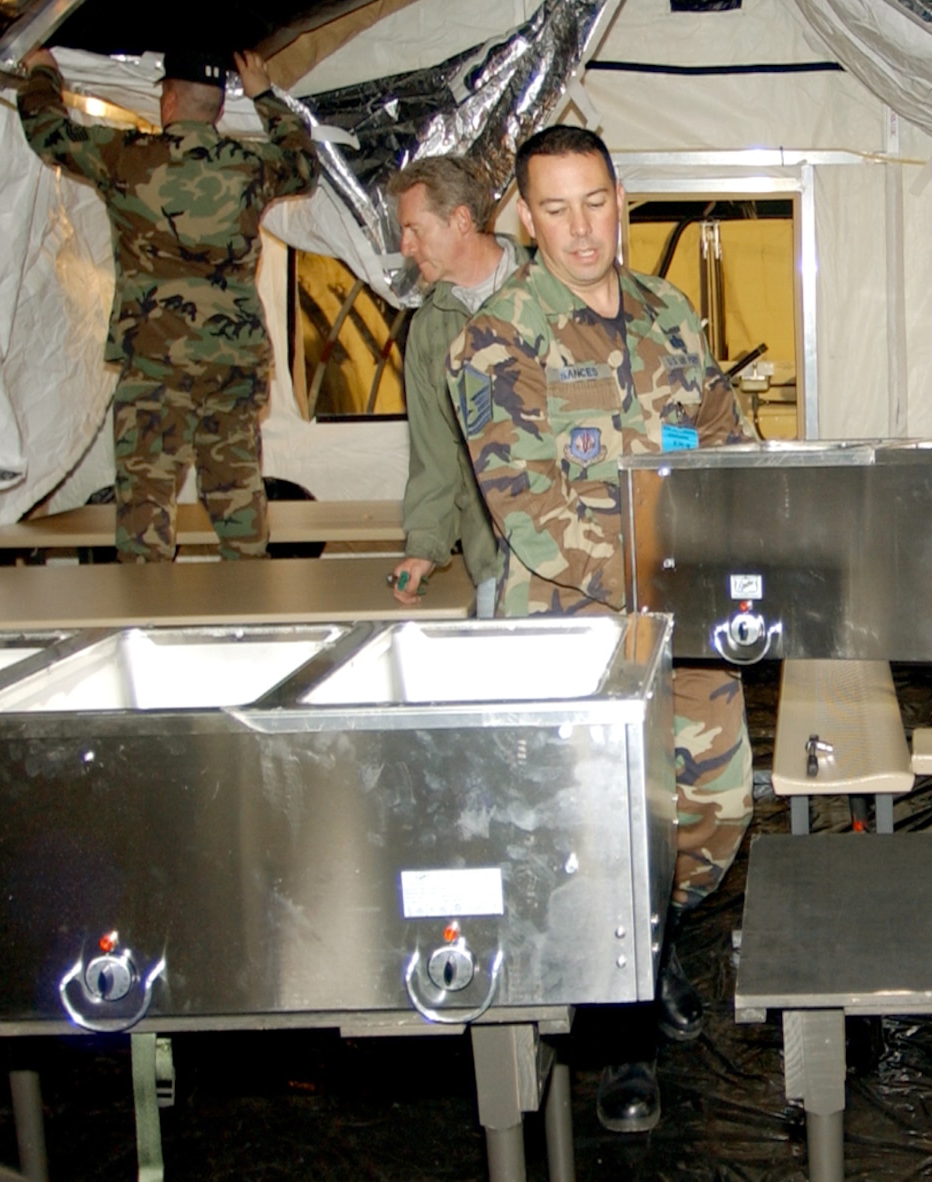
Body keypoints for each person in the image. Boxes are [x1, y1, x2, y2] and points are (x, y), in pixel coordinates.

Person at [447, 124, 755, 1133]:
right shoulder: (495, 338)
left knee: (710, 818)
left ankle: (655, 948)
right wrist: (664, 569)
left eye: (595, 203)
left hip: (688, 627)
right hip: (576, 637)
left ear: (619, 199)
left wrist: (752, 523)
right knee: (606, 836)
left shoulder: (670, 312)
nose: (580, 230)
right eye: (556, 209)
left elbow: (722, 439)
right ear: (525, 220)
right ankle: (618, 1044)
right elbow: (529, 521)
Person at [17, 46, 318, 562]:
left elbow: (49, 133)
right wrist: (264, 93)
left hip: (156, 364)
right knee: (239, 505)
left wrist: (43, 70)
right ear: (220, 110)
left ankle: (147, 629)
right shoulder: (251, 166)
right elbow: (304, 164)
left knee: (145, 512)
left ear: (168, 102)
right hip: (232, 362)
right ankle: (247, 627)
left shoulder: (129, 158)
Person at [383, 157, 517, 617]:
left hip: (584, 563)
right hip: (494, 564)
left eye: (415, 229)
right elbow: (435, 457)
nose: (405, 246)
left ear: (461, 220)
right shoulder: (428, 330)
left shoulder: (549, 290)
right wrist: (424, 547)